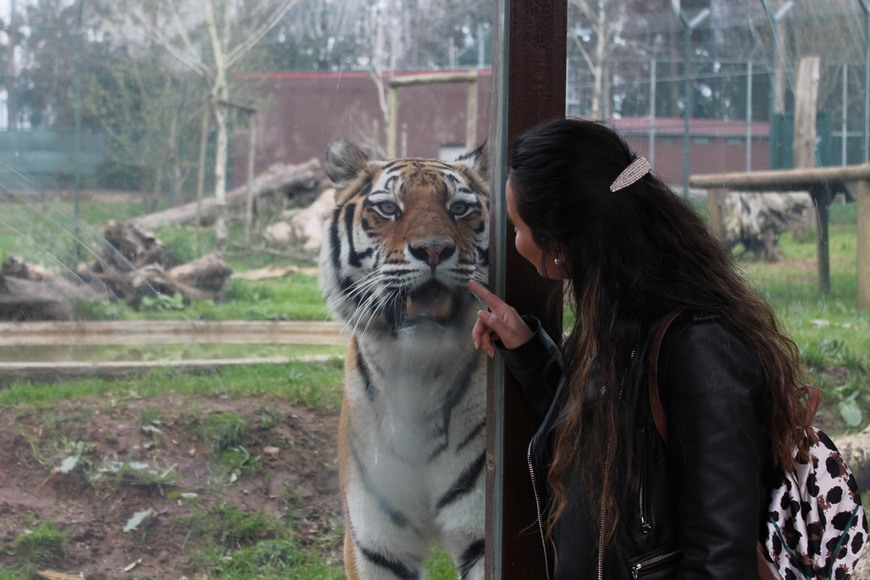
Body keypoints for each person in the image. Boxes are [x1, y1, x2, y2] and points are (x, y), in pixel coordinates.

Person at [468, 117, 814, 579]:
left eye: (517, 226)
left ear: (560, 242)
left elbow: (721, 557)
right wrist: (528, 349)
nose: (516, 242)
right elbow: (602, 430)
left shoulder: (700, 348)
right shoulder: (617, 317)